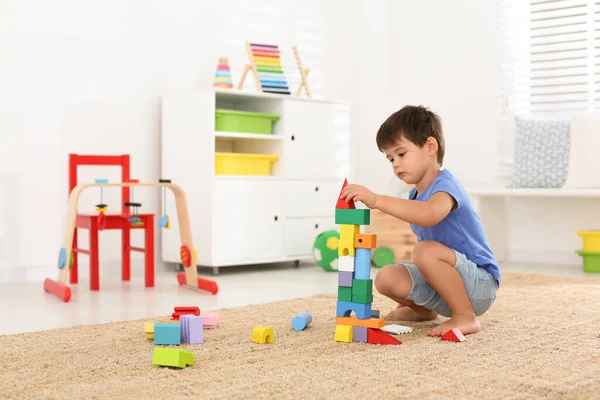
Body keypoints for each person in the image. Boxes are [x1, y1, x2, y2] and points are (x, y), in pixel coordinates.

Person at [340, 105, 500, 337]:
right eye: (390, 158)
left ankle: (465, 316)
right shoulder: (415, 194)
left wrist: (376, 199)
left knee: (425, 250)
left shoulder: (446, 186)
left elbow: (429, 214)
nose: (395, 163)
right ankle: (422, 310)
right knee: (386, 278)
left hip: (480, 285)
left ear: (430, 147)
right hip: (444, 287)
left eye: (401, 154)